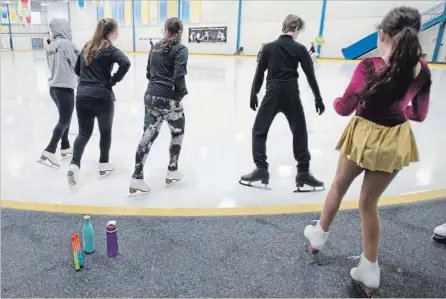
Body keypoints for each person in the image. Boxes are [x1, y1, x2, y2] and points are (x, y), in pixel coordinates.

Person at [303, 7, 431, 296]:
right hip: (395, 139)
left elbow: (344, 106)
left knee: (338, 185)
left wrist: (336, 100)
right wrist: (400, 109)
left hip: (363, 136)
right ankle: (370, 270)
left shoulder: (369, 66)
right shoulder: (422, 70)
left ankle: (318, 237)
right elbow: (419, 114)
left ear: (381, 35)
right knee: (368, 204)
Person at [239, 14, 325, 191]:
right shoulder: (300, 48)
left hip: (272, 93)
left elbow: (259, 73)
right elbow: (310, 75)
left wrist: (253, 94)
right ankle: (303, 172)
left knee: (259, 130)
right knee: (299, 130)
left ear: (284, 27)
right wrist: (318, 98)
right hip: (291, 93)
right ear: (296, 29)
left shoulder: (269, 48)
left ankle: (261, 169)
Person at [67, 18, 131, 187]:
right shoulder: (110, 49)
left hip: (82, 96)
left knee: (83, 133)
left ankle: (74, 164)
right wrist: (112, 81)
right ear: (112, 33)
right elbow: (125, 62)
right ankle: (103, 165)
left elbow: (76, 70)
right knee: (105, 131)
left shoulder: (87, 46)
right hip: (102, 96)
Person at [128, 17, 188, 196]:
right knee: (177, 132)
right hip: (169, 98)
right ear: (180, 32)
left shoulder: (154, 48)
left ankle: (137, 177)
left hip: (150, 96)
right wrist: (181, 93)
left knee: (148, 135)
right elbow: (179, 75)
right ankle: (172, 169)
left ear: (165, 30)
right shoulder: (180, 49)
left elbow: (148, 73)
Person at [38, 19, 79, 168]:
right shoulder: (67, 44)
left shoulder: (50, 46)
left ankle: (65, 146)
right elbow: (78, 64)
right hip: (65, 89)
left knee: (65, 119)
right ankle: (49, 150)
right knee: (64, 120)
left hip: (54, 88)